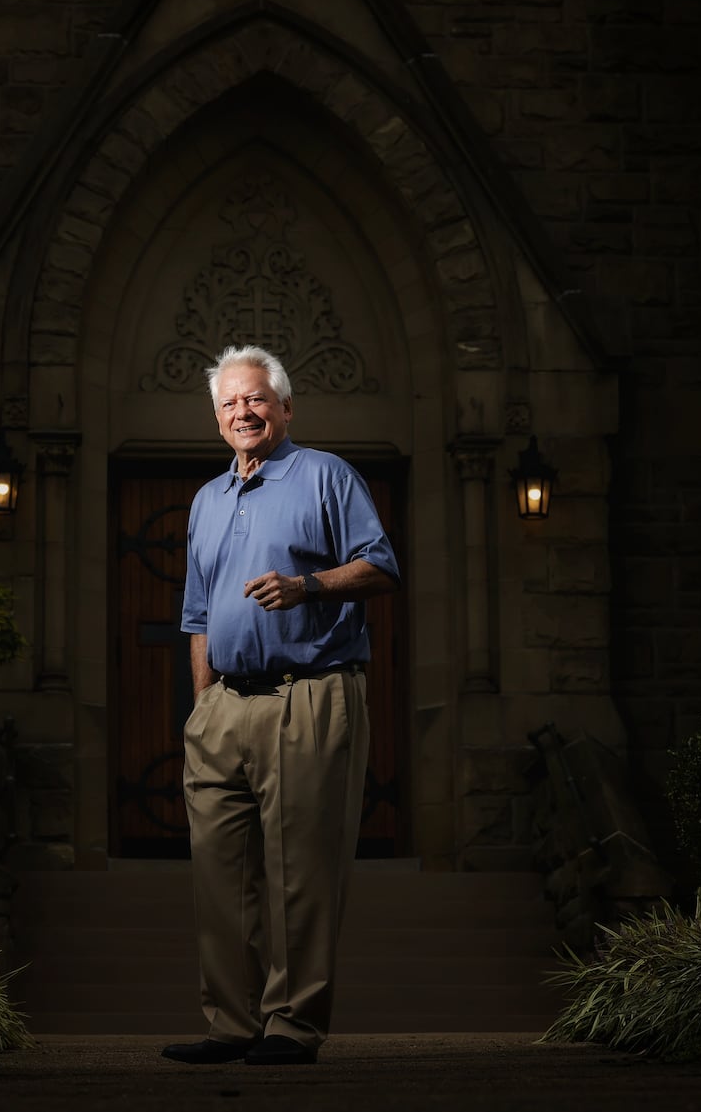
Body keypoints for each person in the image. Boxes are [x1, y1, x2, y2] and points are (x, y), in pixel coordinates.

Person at [161, 345, 400, 1067]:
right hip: (223, 709)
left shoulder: (326, 475)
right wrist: (202, 708)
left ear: (285, 407)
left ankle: (291, 1026)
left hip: (310, 695)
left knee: (300, 874)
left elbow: (382, 564)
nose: (245, 410)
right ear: (216, 417)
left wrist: (308, 587)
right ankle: (231, 1023)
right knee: (219, 875)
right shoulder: (207, 500)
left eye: (257, 398)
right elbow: (197, 615)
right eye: (231, 402)